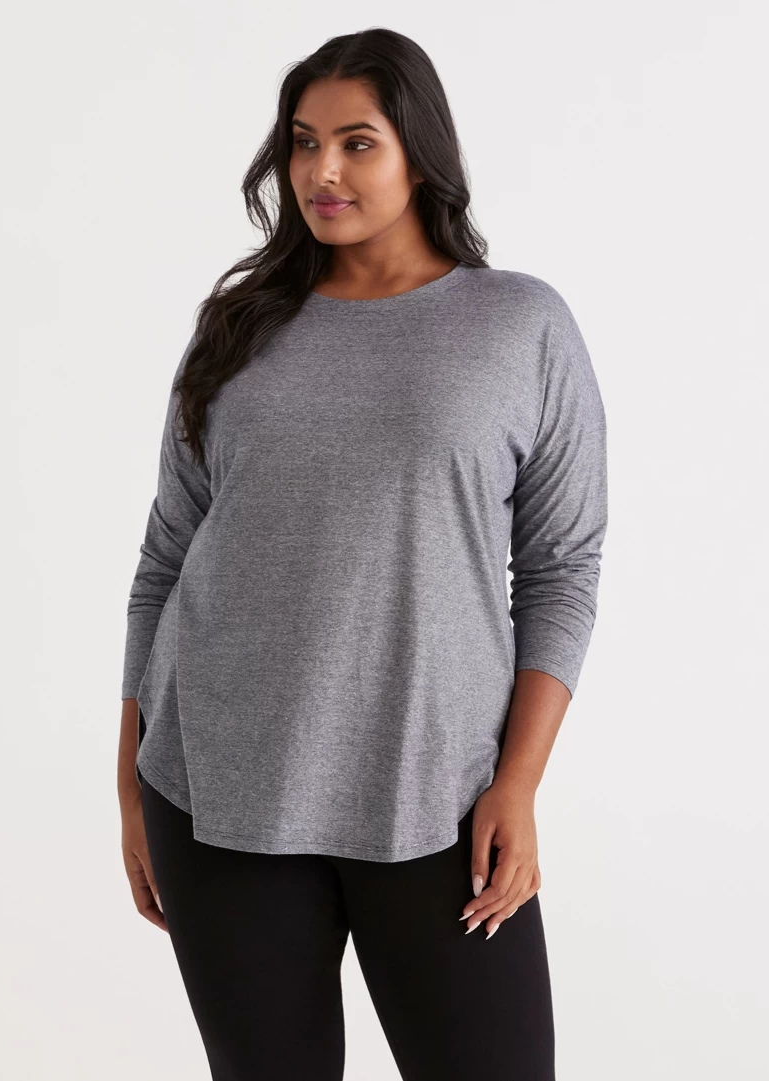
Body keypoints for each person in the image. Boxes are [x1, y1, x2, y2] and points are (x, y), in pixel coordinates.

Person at [117, 26, 607, 1081]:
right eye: (302, 143)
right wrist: (129, 785)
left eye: (356, 142)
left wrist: (518, 783)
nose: (321, 172)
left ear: (420, 155)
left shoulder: (518, 325)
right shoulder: (238, 327)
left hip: (438, 795)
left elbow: (561, 568)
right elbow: (166, 557)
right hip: (217, 792)